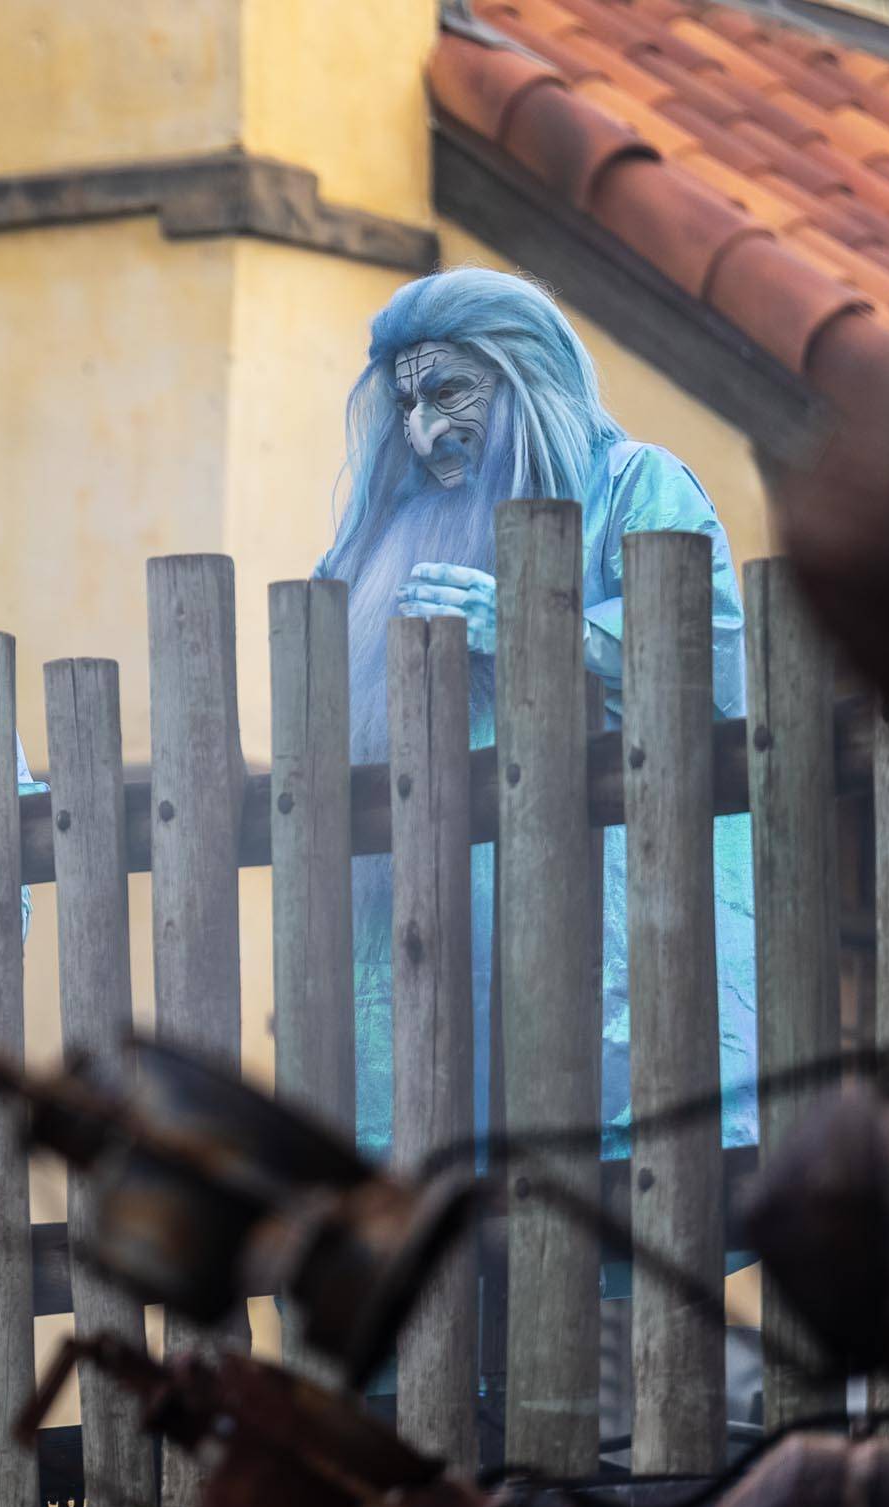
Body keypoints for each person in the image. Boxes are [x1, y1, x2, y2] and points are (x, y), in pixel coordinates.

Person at [314, 266, 756, 1160]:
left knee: (617, 1253)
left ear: (524, 381)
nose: (426, 432)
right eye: (407, 405)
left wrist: (529, 628)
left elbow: (701, 666)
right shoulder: (375, 545)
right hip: (428, 978)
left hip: (610, 975)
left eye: (449, 392)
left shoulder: (636, 486)